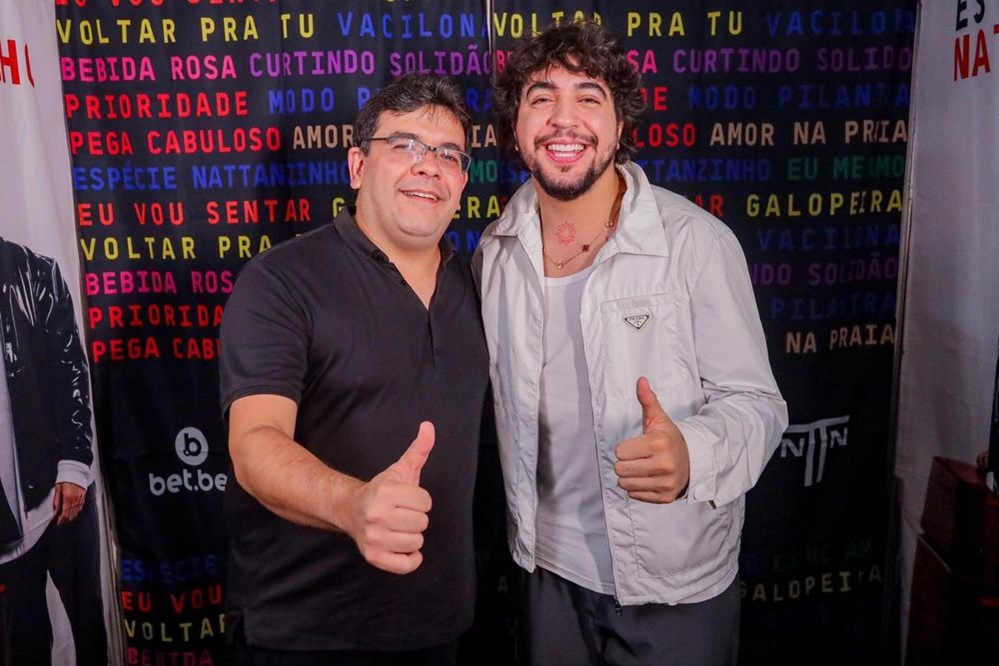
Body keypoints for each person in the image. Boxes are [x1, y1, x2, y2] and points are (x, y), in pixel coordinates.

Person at [474, 21, 789, 665]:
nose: (565, 120)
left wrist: (692, 455)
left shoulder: (696, 243)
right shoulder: (494, 255)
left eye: (589, 97)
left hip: (676, 587)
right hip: (546, 574)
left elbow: (758, 403)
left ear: (620, 128)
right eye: (541, 97)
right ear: (514, 130)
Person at [219, 73, 489, 665]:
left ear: (463, 181)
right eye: (405, 145)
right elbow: (255, 443)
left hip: (441, 630)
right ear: (358, 167)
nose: (428, 166)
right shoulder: (281, 281)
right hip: (305, 635)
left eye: (448, 154)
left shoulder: (483, 286)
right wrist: (352, 505)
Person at [0, 238, 107, 665]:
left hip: (60, 493)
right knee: (22, 640)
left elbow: (71, 372)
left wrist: (75, 465)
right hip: (5, 522)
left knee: (87, 623)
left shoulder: (33, 270)